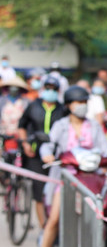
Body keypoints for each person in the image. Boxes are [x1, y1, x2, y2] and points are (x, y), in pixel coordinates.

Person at [32, 86, 107, 247]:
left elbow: (105, 149)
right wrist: (47, 155)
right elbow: (48, 145)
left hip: (93, 179)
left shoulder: (94, 126)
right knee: (54, 219)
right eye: (78, 103)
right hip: (67, 179)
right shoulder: (60, 125)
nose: (82, 106)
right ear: (69, 105)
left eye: (85, 102)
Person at [18, 75, 67, 230]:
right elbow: (22, 126)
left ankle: (54, 224)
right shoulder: (33, 106)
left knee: (54, 190)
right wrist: (25, 143)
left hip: (55, 156)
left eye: (54, 89)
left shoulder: (62, 109)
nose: (50, 91)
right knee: (39, 191)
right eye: (47, 88)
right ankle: (44, 227)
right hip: (35, 154)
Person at [0, 77, 30, 143]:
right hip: (3, 134)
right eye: (12, 87)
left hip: (19, 136)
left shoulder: (25, 101)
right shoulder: (2, 100)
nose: (13, 89)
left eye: (16, 87)